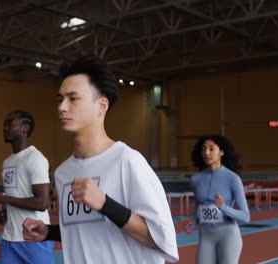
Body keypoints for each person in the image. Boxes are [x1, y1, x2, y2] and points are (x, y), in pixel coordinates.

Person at [22, 56, 179, 263]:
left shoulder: (127, 161)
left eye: (73, 98)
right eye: (60, 99)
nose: (62, 107)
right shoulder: (63, 173)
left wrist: (105, 204)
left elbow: (160, 238)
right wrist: (49, 232)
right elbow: (89, 228)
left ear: (102, 105)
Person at [0, 110, 55, 264]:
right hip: (9, 238)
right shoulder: (7, 162)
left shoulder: (35, 158)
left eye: (9, 124)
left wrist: (3, 198)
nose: (4, 128)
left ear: (25, 128)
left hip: (34, 238)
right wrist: (7, 212)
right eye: (4, 124)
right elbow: (19, 194)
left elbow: (42, 203)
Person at [185, 135, 250, 264]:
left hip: (228, 236)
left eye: (211, 149)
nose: (206, 153)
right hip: (205, 236)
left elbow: (245, 217)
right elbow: (200, 207)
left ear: (221, 152)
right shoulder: (196, 179)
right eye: (204, 149)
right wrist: (193, 222)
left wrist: (224, 207)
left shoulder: (233, 178)